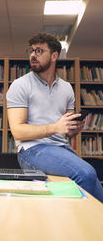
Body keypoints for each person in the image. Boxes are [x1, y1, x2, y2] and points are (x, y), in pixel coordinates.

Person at [6, 32, 103, 202]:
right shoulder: (20, 85)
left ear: (54, 56)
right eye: (31, 50)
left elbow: (65, 131)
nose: (33, 55)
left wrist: (72, 129)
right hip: (31, 150)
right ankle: (73, 226)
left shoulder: (66, 88)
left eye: (39, 51)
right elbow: (18, 131)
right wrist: (55, 127)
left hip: (61, 148)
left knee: (98, 189)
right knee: (86, 173)